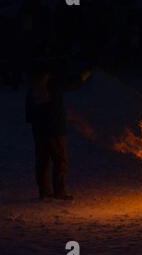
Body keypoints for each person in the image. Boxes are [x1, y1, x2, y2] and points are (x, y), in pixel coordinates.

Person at [26, 60, 92, 200]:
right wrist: (84, 75)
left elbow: (28, 113)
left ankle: (44, 193)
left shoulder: (32, 88)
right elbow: (71, 84)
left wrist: (37, 125)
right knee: (60, 160)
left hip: (39, 131)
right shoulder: (52, 84)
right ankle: (59, 192)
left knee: (42, 161)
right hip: (55, 130)